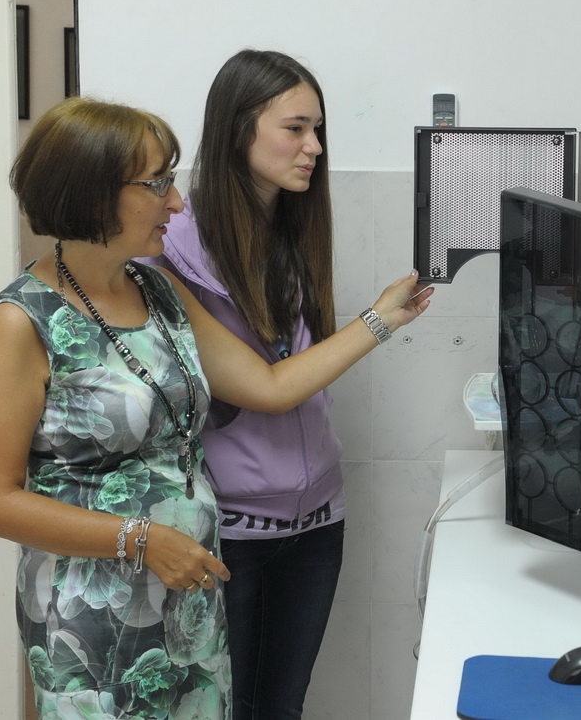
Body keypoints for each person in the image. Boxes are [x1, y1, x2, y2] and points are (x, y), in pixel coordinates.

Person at [0, 97, 431, 719]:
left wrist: (382, 319)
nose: (177, 203)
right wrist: (140, 539)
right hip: (92, 625)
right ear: (95, 194)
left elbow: (268, 386)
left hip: (187, 605)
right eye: (158, 184)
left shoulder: (157, 289)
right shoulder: (21, 321)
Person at [142, 49, 355, 719]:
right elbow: (266, 386)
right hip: (225, 531)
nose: (313, 147)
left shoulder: (293, 229)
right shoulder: (169, 245)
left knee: (281, 710)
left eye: (317, 129)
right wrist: (380, 320)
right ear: (239, 130)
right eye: (295, 128)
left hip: (318, 521)